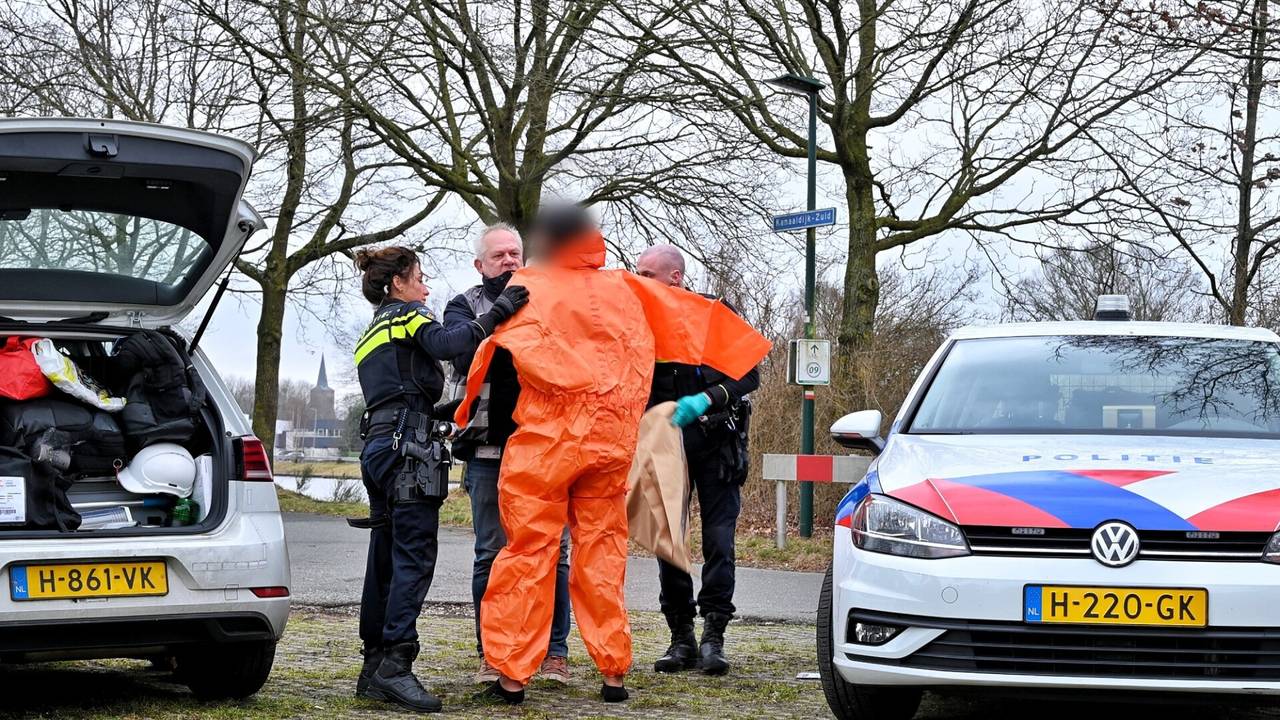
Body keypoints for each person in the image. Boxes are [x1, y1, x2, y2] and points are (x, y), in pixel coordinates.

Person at [454, 205, 771, 705]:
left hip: (547, 442)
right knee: (602, 553)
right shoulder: (629, 288)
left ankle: (512, 676)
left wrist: (465, 407)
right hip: (611, 440)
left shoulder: (530, 286)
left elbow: (485, 350)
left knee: (528, 553)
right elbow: (707, 326)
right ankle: (613, 672)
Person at [351, 246, 528, 713]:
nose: (427, 287)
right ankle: (397, 665)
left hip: (380, 444)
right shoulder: (408, 315)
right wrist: (501, 311)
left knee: (385, 556)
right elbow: (452, 345)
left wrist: (450, 411)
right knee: (414, 556)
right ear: (398, 285)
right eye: (420, 278)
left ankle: (372, 666)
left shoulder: (371, 331)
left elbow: (399, 391)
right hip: (409, 451)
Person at [444, 224, 573, 685]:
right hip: (487, 449)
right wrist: (500, 316)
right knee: (491, 553)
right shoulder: (464, 305)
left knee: (554, 553)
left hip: (545, 450)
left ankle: (555, 652)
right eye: (498, 255)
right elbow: (461, 358)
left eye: (515, 253)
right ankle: (492, 652)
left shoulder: (550, 299)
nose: (509, 261)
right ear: (480, 264)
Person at [635, 245, 759, 676]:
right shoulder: (637, 319)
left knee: (719, 543)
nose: (639, 279)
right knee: (669, 543)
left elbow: (750, 373)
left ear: (675, 277)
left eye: (647, 273)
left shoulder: (712, 313)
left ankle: (714, 637)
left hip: (715, 441)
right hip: (664, 444)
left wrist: (708, 397)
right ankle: (681, 638)